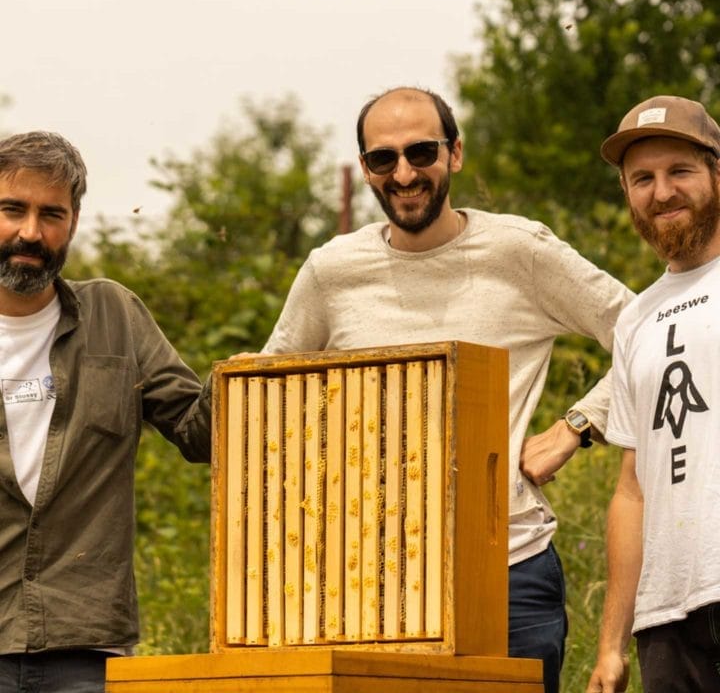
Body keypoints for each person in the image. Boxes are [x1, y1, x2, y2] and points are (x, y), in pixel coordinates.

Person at [260, 86, 634, 693]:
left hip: (508, 571)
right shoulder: (331, 270)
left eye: (422, 152)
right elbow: (272, 395)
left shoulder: (518, 249)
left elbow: (649, 334)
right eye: (384, 159)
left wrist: (577, 425)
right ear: (365, 171)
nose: (404, 174)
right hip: (366, 583)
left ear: (455, 153)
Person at [0, 131, 211, 692]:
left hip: (86, 647)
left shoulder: (113, 314)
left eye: (52, 214)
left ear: (72, 224)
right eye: (12, 209)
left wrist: (262, 367)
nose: (30, 232)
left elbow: (203, 433)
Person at [586, 95, 720, 693]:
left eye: (680, 171)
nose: (661, 191)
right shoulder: (635, 320)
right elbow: (632, 489)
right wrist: (611, 647)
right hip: (666, 618)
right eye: (642, 178)